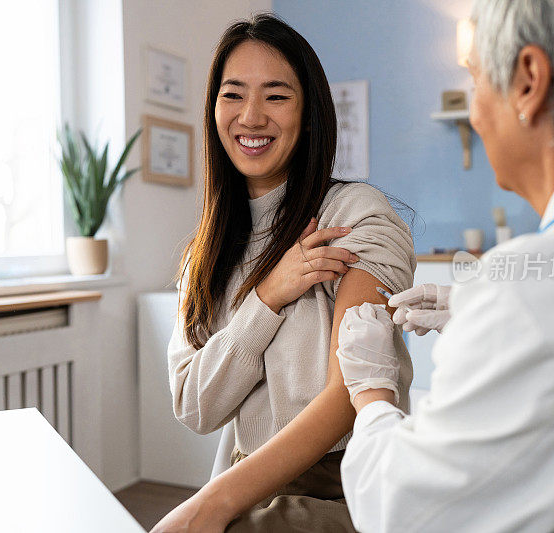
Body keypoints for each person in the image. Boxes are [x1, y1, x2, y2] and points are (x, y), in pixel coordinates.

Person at [336, 0, 554, 531]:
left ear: (528, 81)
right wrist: (475, 308)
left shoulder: (525, 297)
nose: (474, 110)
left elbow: (403, 512)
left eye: (474, 79)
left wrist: (372, 393)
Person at [152, 13, 416, 532]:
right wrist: (266, 299)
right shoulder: (203, 256)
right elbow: (193, 406)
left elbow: (351, 394)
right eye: (233, 94)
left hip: (339, 489)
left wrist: (211, 504)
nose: (251, 116)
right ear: (213, 111)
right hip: (246, 480)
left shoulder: (355, 216)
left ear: (310, 114)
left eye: (276, 96)